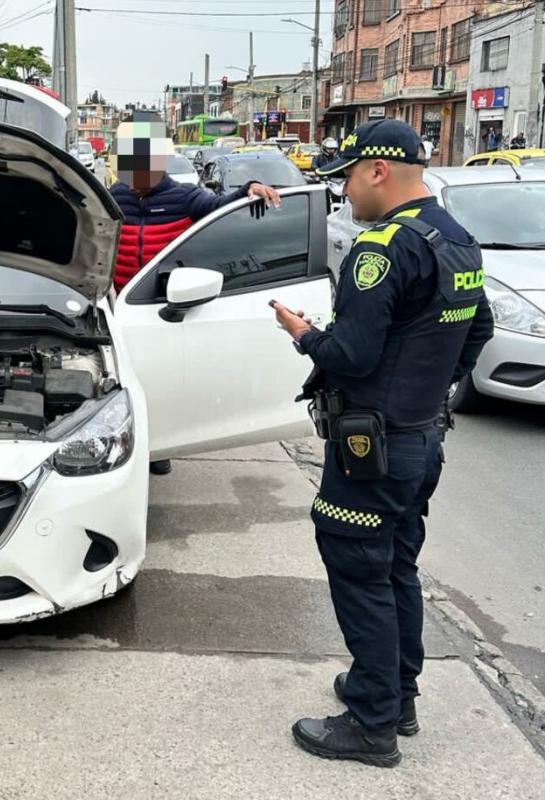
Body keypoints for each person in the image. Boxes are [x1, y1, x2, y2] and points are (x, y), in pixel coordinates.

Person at [271, 118, 493, 768]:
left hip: (372, 450)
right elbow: (477, 332)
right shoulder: (456, 240)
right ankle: (396, 695)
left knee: (358, 568)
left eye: (344, 176)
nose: (342, 190)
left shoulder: (382, 248)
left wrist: (302, 333)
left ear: (376, 170)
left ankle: (370, 726)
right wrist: (426, 395)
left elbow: (352, 355)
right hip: (421, 440)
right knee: (395, 565)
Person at [109, 119, 282, 476]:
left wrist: (248, 189)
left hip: (161, 307)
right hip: (117, 305)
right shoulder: (114, 198)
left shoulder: (183, 196)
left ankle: (157, 447)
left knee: (155, 379)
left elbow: (219, 208)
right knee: (120, 381)